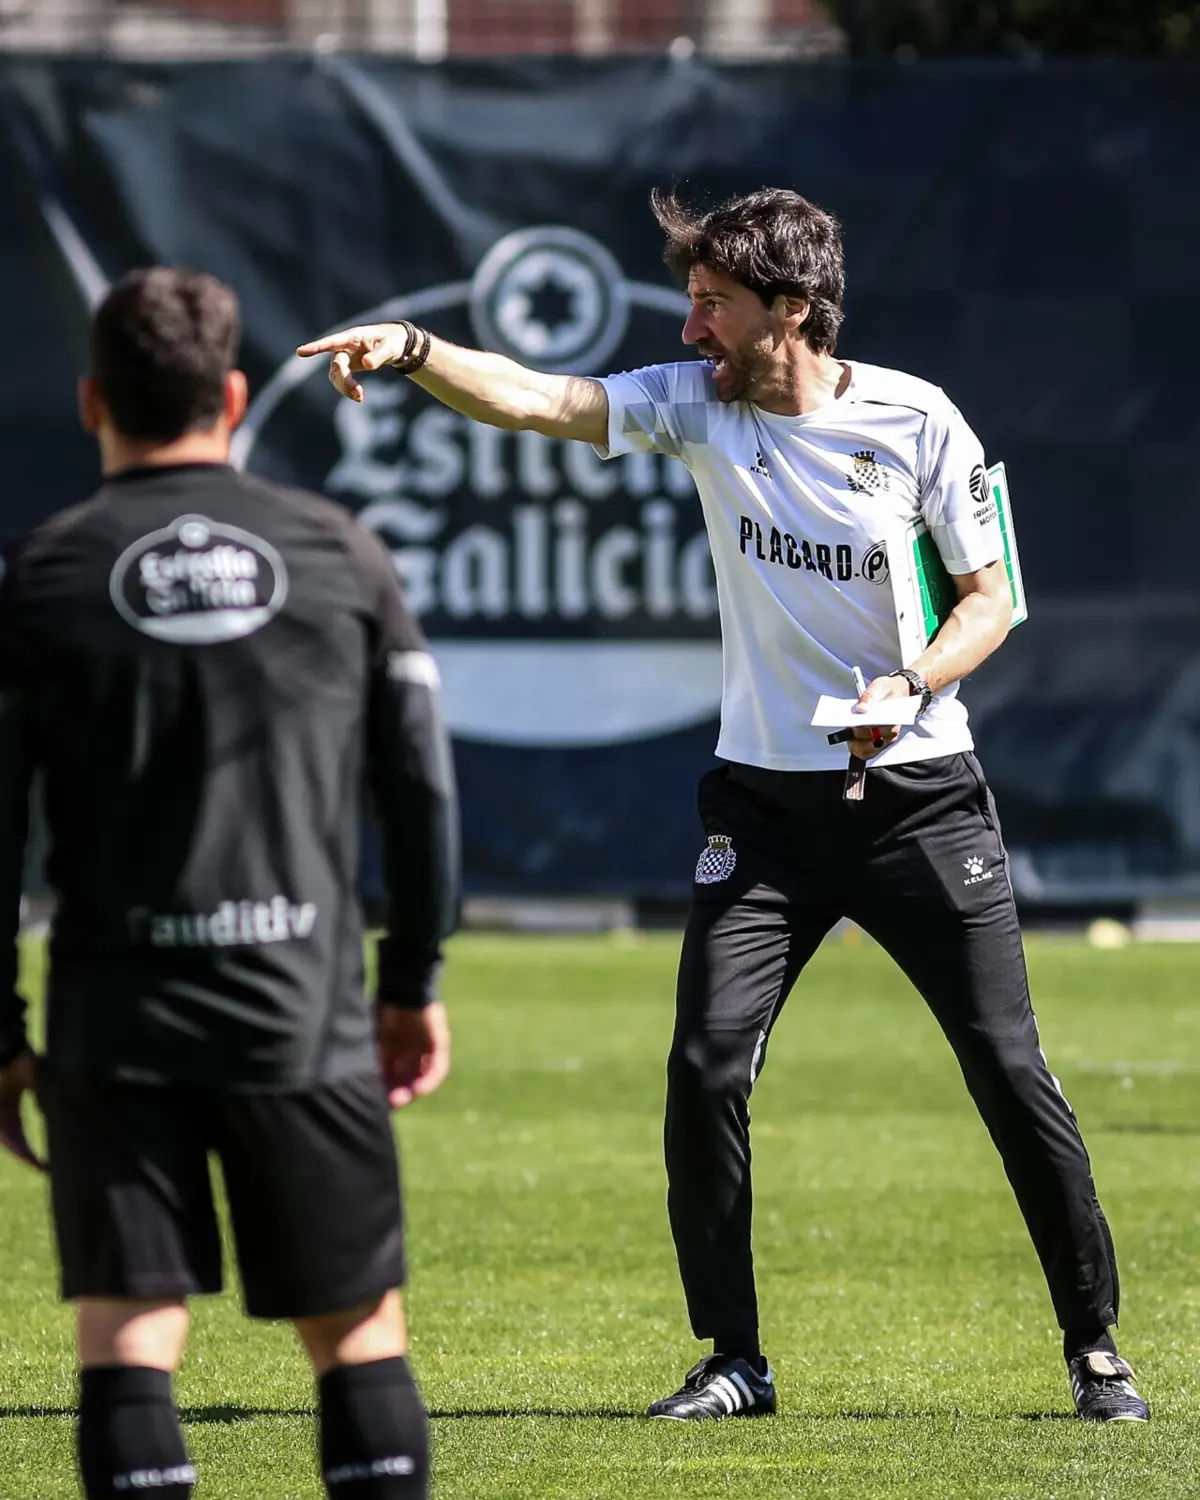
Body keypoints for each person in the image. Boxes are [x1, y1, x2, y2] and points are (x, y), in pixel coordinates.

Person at [296, 187, 1148, 1426]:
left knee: (1010, 1073)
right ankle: (734, 1359)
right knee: (703, 1070)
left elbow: (991, 600)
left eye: (714, 303)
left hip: (920, 804)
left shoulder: (919, 420)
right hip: (760, 815)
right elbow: (548, 399)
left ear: (792, 310)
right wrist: (416, 349)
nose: (691, 327)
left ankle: (1096, 1350)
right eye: (691, 300)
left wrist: (905, 686)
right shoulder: (698, 406)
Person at [0, 267, 459, 1499]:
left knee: (128, 1333)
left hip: (113, 1020)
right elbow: (422, 796)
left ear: (94, 401)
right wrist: (410, 982)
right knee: (355, 1330)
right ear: (238, 394)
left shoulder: (37, 576)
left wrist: (3, 1034)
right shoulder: (341, 555)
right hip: (298, 1007)